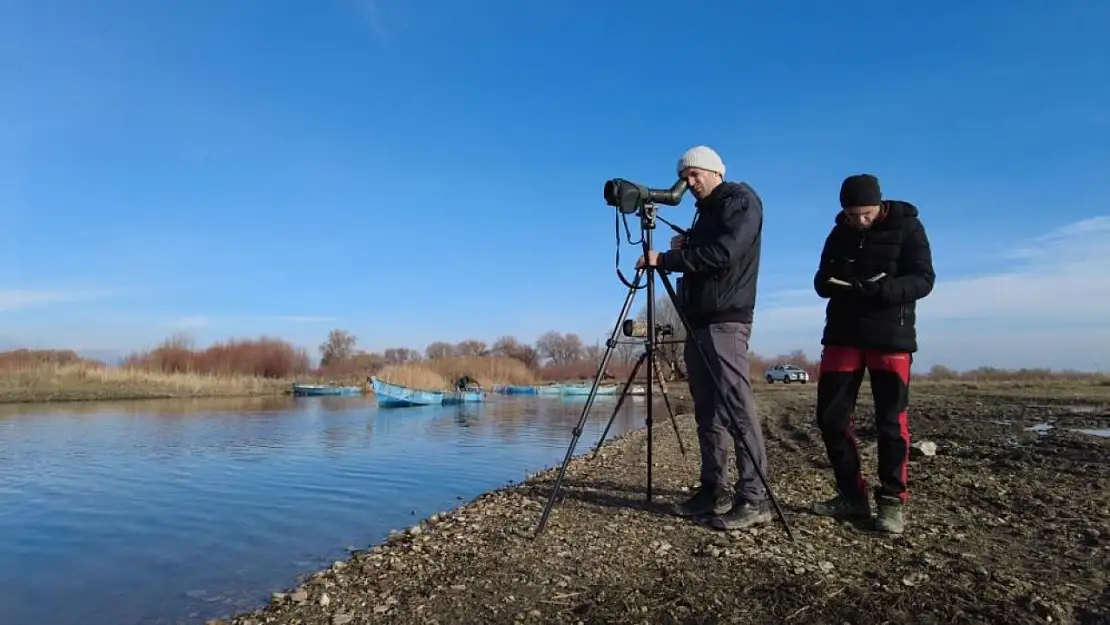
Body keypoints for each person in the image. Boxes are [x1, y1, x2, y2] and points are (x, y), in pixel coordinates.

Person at [636, 145, 770, 530]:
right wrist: (687, 246)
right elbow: (706, 253)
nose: (689, 183)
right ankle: (713, 489)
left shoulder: (740, 201)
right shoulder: (706, 211)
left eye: (694, 174)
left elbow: (724, 254)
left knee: (736, 406)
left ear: (714, 171)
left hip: (725, 319)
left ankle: (754, 497)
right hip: (696, 320)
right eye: (685, 176)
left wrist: (668, 259)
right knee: (707, 410)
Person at [809, 173, 935, 534]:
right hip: (842, 335)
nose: (859, 221)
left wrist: (883, 291)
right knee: (831, 419)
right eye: (852, 214)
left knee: (891, 423)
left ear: (878, 205)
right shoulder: (839, 233)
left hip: (890, 337)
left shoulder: (909, 227)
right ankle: (852, 496)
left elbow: (925, 279)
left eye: (865, 213)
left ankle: (892, 502)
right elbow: (821, 281)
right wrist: (834, 279)